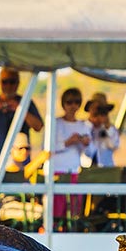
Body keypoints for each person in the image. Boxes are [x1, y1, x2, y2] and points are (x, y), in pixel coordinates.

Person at [48, 87, 95, 224]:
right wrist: (67, 142)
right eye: (69, 102)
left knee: (73, 214)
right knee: (56, 214)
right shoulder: (55, 123)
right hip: (56, 172)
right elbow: (47, 149)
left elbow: (90, 153)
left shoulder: (84, 126)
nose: (73, 106)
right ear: (63, 104)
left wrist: (86, 143)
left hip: (74, 172)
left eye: (76, 102)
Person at [83, 93, 121, 167]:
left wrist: (107, 126)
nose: (99, 115)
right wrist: (91, 123)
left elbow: (114, 145)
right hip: (86, 170)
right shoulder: (83, 127)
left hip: (106, 170)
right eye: (96, 112)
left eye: (103, 112)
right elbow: (88, 152)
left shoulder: (110, 129)